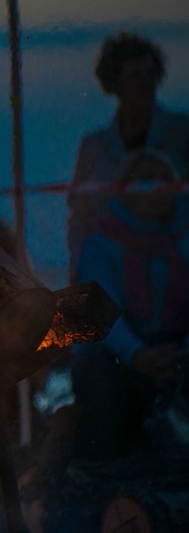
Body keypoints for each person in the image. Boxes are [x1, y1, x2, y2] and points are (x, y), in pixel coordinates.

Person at [71, 149, 189, 460]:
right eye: (145, 179)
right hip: (119, 357)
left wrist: (181, 352)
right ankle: (103, 474)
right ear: (124, 189)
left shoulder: (185, 239)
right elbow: (99, 310)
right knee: (93, 371)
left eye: (164, 178)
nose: (155, 187)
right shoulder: (102, 243)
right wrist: (136, 355)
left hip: (175, 351)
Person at [67, 33, 189, 279]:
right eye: (135, 75)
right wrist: (80, 271)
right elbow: (80, 219)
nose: (145, 84)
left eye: (150, 74)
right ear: (115, 84)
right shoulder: (94, 147)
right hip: (112, 275)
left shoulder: (182, 135)